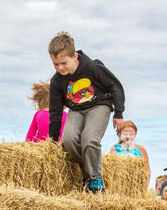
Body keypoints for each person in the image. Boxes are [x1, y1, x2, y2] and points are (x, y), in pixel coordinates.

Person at [46, 31, 126, 194]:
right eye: (56, 64)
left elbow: (115, 86)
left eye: (63, 63)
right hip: (76, 109)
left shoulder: (92, 67)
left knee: (89, 139)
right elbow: (55, 112)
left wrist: (118, 113)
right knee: (68, 141)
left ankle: (96, 181)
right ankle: (87, 176)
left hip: (99, 105)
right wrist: (53, 139)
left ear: (74, 56)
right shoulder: (56, 81)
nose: (60, 68)